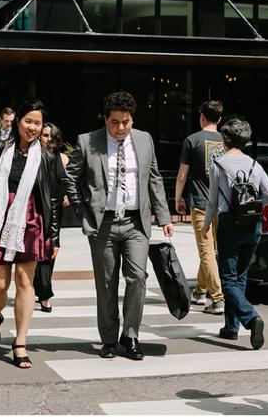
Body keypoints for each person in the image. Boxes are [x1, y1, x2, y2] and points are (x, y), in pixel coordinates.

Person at [65, 91, 174, 361]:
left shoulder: (144, 139)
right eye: (115, 122)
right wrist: (82, 209)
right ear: (106, 119)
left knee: (137, 278)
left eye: (126, 121)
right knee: (106, 284)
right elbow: (70, 178)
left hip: (136, 222)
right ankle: (109, 339)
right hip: (103, 224)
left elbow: (154, 178)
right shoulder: (87, 141)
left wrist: (164, 216)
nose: (121, 128)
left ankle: (131, 334)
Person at [0, 100, 69, 369]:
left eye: (38, 123)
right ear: (17, 121)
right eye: (28, 121)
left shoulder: (47, 156)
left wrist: (54, 238)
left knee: (24, 280)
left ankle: (20, 342)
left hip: (31, 220)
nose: (33, 127)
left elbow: (54, 199)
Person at [202, 118, 268, 348]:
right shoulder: (256, 165)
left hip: (229, 223)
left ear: (225, 139)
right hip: (252, 224)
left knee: (228, 280)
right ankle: (231, 328)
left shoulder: (219, 164)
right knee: (240, 276)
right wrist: (253, 207)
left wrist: (205, 224)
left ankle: (251, 318)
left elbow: (212, 201)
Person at [175, 100, 227, 315]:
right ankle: (199, 291)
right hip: (223, 205)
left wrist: (178, 198)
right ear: (220, 119)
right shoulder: (227, 141)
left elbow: (182, 175)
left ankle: (217, 299)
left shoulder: (192, 140)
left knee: (206, 251)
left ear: (202, 117)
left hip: (201, 204)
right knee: (211, 251)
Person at [32, 122, 73, 313]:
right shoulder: (32, 156)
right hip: (35, 210)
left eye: (51, 136)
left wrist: (67, 195)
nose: (48, 139)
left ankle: (44, 293)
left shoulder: (61, 158)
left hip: (55, 209)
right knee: (36, 252)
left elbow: (67, 181)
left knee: (50, 251)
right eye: (45, 135)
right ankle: (39, 290)